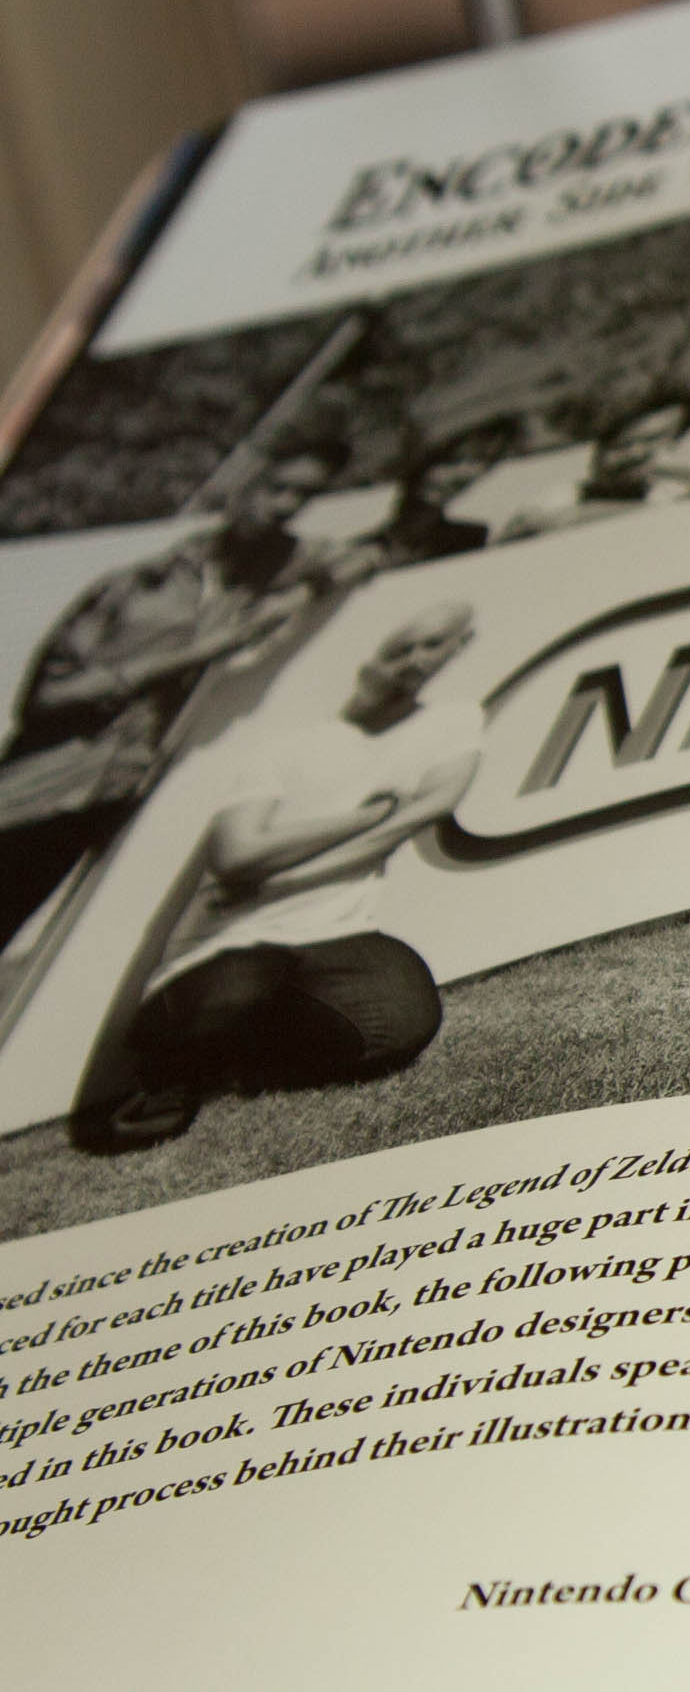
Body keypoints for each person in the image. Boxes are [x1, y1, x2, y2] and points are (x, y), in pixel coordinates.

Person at [69, 602, 483, 1153]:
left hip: (335, 931)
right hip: (231, 938)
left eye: (432, 645)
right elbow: (236, 856)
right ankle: (172, 1075)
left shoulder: (453, 721)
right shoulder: (286, 745)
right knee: (234, 991)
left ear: (459, 646)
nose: (414, 660)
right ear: (367, 659)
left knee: (402, 1021)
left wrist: (288, 878)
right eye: (398, 649)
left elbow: (427, 808)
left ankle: (239, 1064)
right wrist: (362, 816)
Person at [0, 447, 348, 957]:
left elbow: (361, 555)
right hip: (33, 789)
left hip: (116, 793)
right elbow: (45, 698)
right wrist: (203, 651)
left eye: (305, 496)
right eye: (278, 489)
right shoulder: (140, 585)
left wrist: (311, 587)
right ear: (242, 486)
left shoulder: (263, 580)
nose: (288, 506)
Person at [494, 394, 690, 540]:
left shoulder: (678, 486)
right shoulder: (568, 493)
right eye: (623, 445)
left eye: (653, 441)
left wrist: (658, 467)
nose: (635, 453)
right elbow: (550, 522)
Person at [362, 415, 517, 569]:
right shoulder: (372, 551)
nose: (470, 471)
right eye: (455, 460)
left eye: (485, 461)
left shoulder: (472, 537)